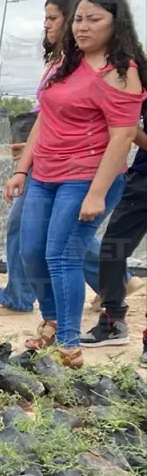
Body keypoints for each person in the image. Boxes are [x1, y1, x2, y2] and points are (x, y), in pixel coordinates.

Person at [0, 0, 140, 317]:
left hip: (76, 167)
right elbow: (48, 115)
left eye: (54, 18)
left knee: (44, 237)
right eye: (46, 19)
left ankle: (26, 299)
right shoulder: (63, 63)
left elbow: (121, 130)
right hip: (45, 158)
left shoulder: (112, 71)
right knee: (43, 237)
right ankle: (110, 283)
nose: (47, 25)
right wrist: (26, 161)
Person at [6, 0, 147, 368]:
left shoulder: (121, 72)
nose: (83, 27)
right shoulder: (64, 62)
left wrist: (97, 194)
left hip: (87, 176)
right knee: (31, 250)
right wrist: (23, 169)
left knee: (63, 253)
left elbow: (122, 138)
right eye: (79, 19)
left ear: (116, 24)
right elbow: (44, 120)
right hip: (44, 173)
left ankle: (68, 343)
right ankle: (51, 320)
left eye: (94, 20)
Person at [83, 108, 147, 350]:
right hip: (142, 178)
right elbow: (126, 123)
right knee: (112, 248)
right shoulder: (140, 72)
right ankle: (112, 321)